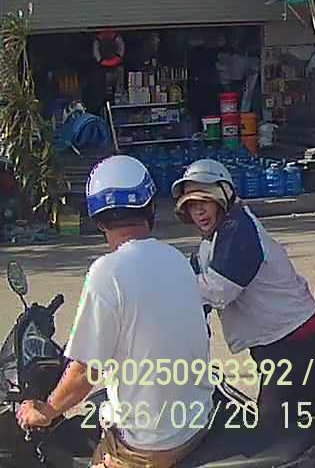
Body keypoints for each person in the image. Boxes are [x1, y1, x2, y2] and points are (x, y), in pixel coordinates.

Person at [16, 156, 213, 468]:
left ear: (98, 220)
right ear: (150, 208)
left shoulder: (107, 272)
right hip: (195, 419)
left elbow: (85, 373)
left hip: (151, 442)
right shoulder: (176, 259)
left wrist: (45, 410)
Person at [173, 159, 315, 421]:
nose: (199, 211)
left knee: (274, 425)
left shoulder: (238, 229)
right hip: (273, 340)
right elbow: (197, 288)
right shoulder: (213, 240)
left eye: (205, 201)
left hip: (293, 338)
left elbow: (219, 290)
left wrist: (169, 289)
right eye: (191, 204)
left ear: (223, 196)